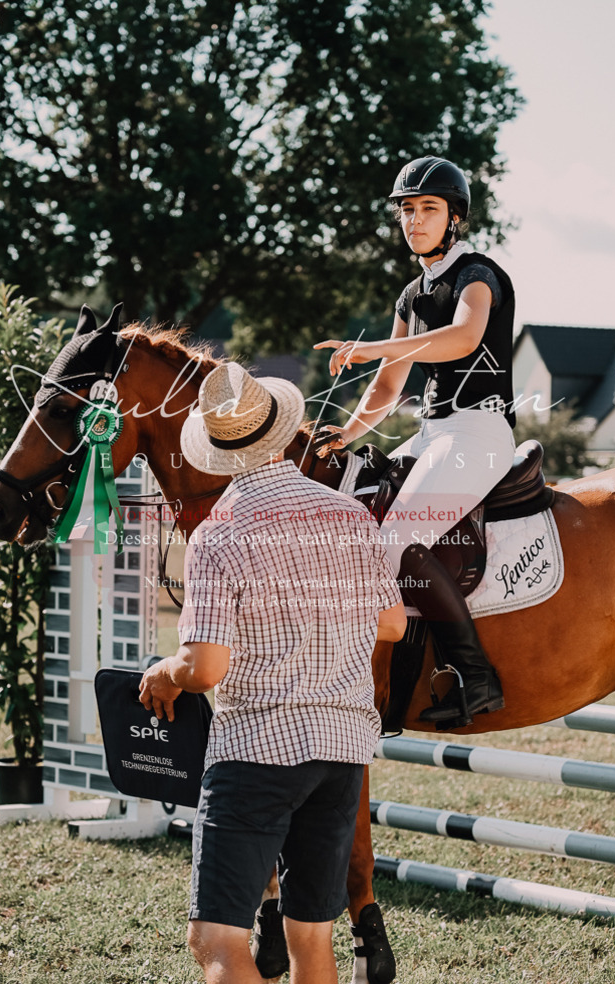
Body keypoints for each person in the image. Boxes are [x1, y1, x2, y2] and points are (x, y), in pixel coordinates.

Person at [139, 361, 406, 984]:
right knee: (312, 938)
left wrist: (165, 673)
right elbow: (392, 624)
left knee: (214, 939)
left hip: (257, 750)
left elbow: (205, 667)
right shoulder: (349, 516)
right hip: (342, 749)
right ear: (281, 432)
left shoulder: (219, 534)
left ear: (216, 452)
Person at [314, 155, 517, 729]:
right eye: (407, 210)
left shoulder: (478, 275)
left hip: (479, 432)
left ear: (455, 218)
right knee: (353, 514)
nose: (415, 220)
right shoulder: (410, 295)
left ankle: (476, 677)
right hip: (431, 432)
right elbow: (388, 385)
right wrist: (347, 434)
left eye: (429, 208)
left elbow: (463, 337)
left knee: (399, 538)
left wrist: (376, 345)